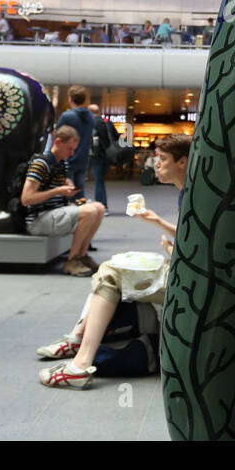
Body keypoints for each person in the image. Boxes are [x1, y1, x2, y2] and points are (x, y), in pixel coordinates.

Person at [38, 134, 189, 388]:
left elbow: (196, 253)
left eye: (162, 159)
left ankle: (80, 361)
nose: (156, 164)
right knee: (111, 270)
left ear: (182, 162)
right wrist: (159, 223)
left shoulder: (190, 196)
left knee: (109, 273)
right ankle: (77, 343)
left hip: (187, 281)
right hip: (188, 274)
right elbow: (193, 238)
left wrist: (174, 251)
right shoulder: (190, 193)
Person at [21, 124, 104, 276]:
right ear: (58, 142)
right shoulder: (41, 164)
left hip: (55, 212)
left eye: (74, 150)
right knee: (91, 210)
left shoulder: (62, 163)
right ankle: (72, 260)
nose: (72, 154)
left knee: (99, 208)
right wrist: (58, 191)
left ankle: (82, 255)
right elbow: (26, 199)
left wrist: (67, 186)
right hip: (38, 219)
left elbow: (59, 184)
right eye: (69, 149)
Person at [57, 85, 95, 197]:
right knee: (79, 191)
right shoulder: (91, 117)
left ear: (70, 99)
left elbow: (58, 137)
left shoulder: (67, 116)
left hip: (68, 159)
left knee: (67, 192)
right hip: (83, 159)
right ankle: (81, 213)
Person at [87, 102, 113, 208]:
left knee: (99, 181)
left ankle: (102, 205)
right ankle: (99, 203)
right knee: (100, 180)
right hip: (108, 155)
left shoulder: (92, 123)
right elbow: (116, 137)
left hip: (97, 155)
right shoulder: (107, 123)